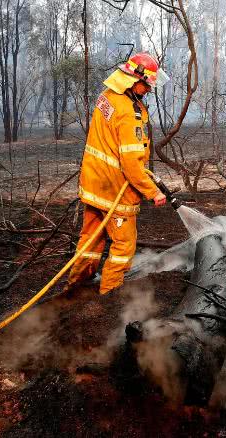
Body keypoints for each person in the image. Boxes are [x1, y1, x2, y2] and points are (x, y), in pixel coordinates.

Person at [66, 52, 169, 295]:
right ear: (135, 79)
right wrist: (153, 192)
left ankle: (76, 287)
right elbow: (132, 164)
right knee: (123, 246)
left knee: (91, 240)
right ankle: (109, 294)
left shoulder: (107, 97)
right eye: (147, 85)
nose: (149, 90)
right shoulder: (128, 113)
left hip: (93, 183)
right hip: (114, 189)